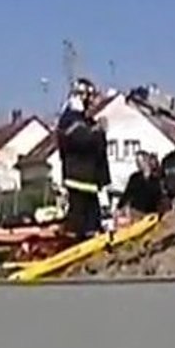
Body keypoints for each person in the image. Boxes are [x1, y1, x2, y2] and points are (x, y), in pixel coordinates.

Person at [56, 78, 110, 239]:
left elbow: (97, 147)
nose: (92, 102)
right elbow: (82, 140)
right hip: (79, 179)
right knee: (79, 220)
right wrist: (98, 131)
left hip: (89, 180)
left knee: (92, 221)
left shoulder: (83, 121)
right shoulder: (70, 120)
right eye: (90, 97)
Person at [117, 151, 163, 218]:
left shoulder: (155, 178)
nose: (137, 164)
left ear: (146, 161)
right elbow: (127, 193)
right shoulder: (134, 178)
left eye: (139, 161)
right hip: (136, 211)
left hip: (152, 213)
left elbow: (158, 195)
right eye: (137, 162)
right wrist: (119, 207)